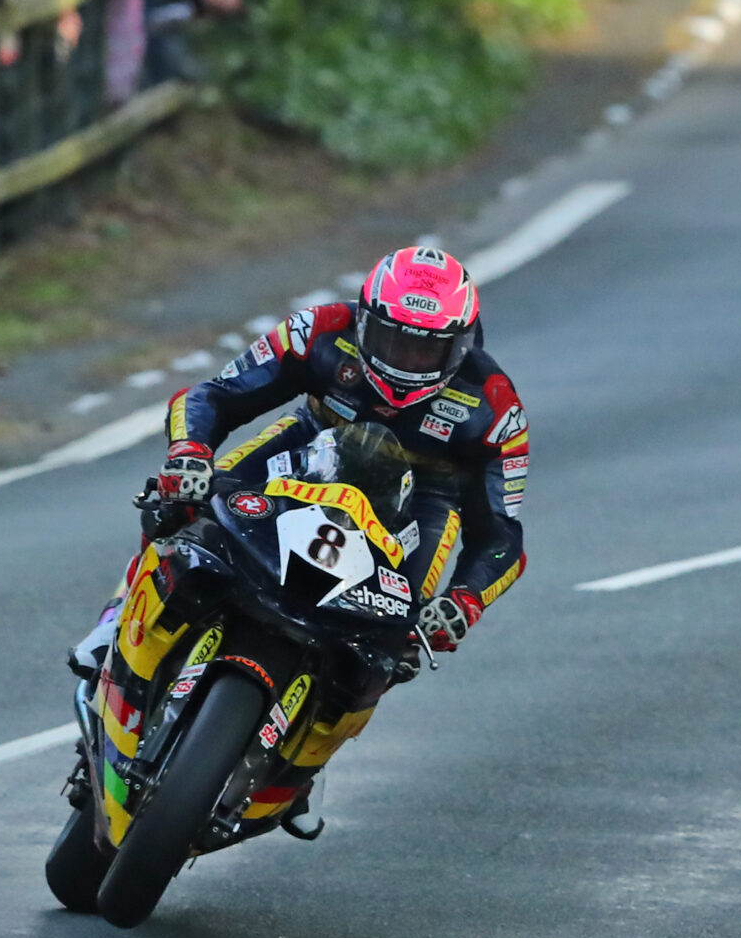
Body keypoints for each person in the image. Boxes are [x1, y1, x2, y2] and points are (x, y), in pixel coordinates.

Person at [70, 246, 530, 811]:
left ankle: (298, 764)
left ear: (462, 344)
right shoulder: (318, 331)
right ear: (363, 323)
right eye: (395, 340)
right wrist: (190, 454)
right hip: (314, 442)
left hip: (423, 498)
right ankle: (113, 629)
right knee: (179, 504)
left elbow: (502, 537)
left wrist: (463, 602)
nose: (408, 360)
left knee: (397, 640)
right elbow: (212, 395)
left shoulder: (494, 407)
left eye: (427, 347)